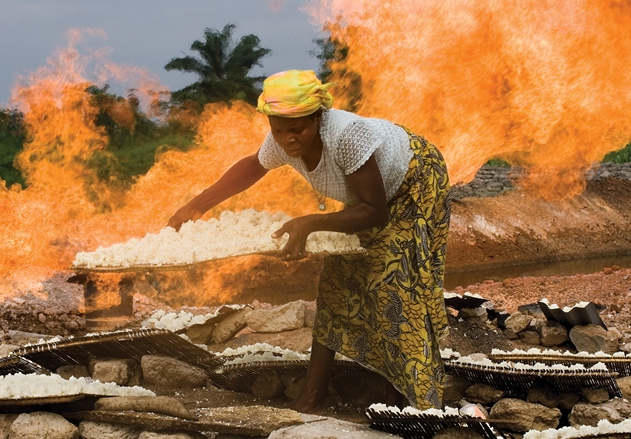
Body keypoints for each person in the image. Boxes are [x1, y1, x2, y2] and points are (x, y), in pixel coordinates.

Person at [168, 70, 450, 413]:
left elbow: (375, 212)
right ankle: (312, 395)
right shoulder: (282, 140)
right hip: (369, 198)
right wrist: (195, 206)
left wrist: (311, 223)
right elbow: (251, 169)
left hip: (414, 183)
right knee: (335, 283)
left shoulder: (347, 136)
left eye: (297, 129)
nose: (287, 139)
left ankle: (404, 400)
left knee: (394, 285)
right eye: (278, 130)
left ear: (318, 117)